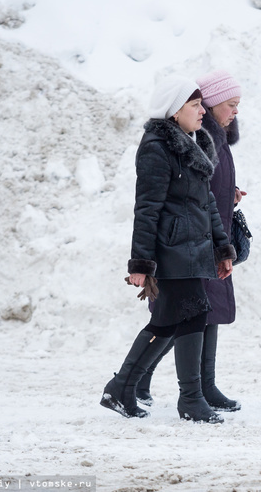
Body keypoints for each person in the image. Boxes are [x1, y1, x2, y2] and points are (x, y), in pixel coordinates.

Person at [100, 75, 236, 424]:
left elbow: (206, 203)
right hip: (172, 251)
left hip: (195, 250)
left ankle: (124, 388)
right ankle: (186, 398)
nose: (201, 111)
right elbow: (146, 209)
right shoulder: (157, 147)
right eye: (194, 106)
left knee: (180, 319)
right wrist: (141, 263)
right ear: (175, 112)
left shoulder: (195, 143)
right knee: (176, 320)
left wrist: (223, 248)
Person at [135, 70, 245, 413]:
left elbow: (207, 192)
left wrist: (231, 197)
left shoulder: (210, 139)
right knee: (180, 315)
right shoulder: (190, 139)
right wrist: (142, 261)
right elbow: (159, 201)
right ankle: (147, 384)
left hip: (207, 237)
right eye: (230, 104)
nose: (235, 112)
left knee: (195, 314)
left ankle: (196, 390)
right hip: (188, 243)